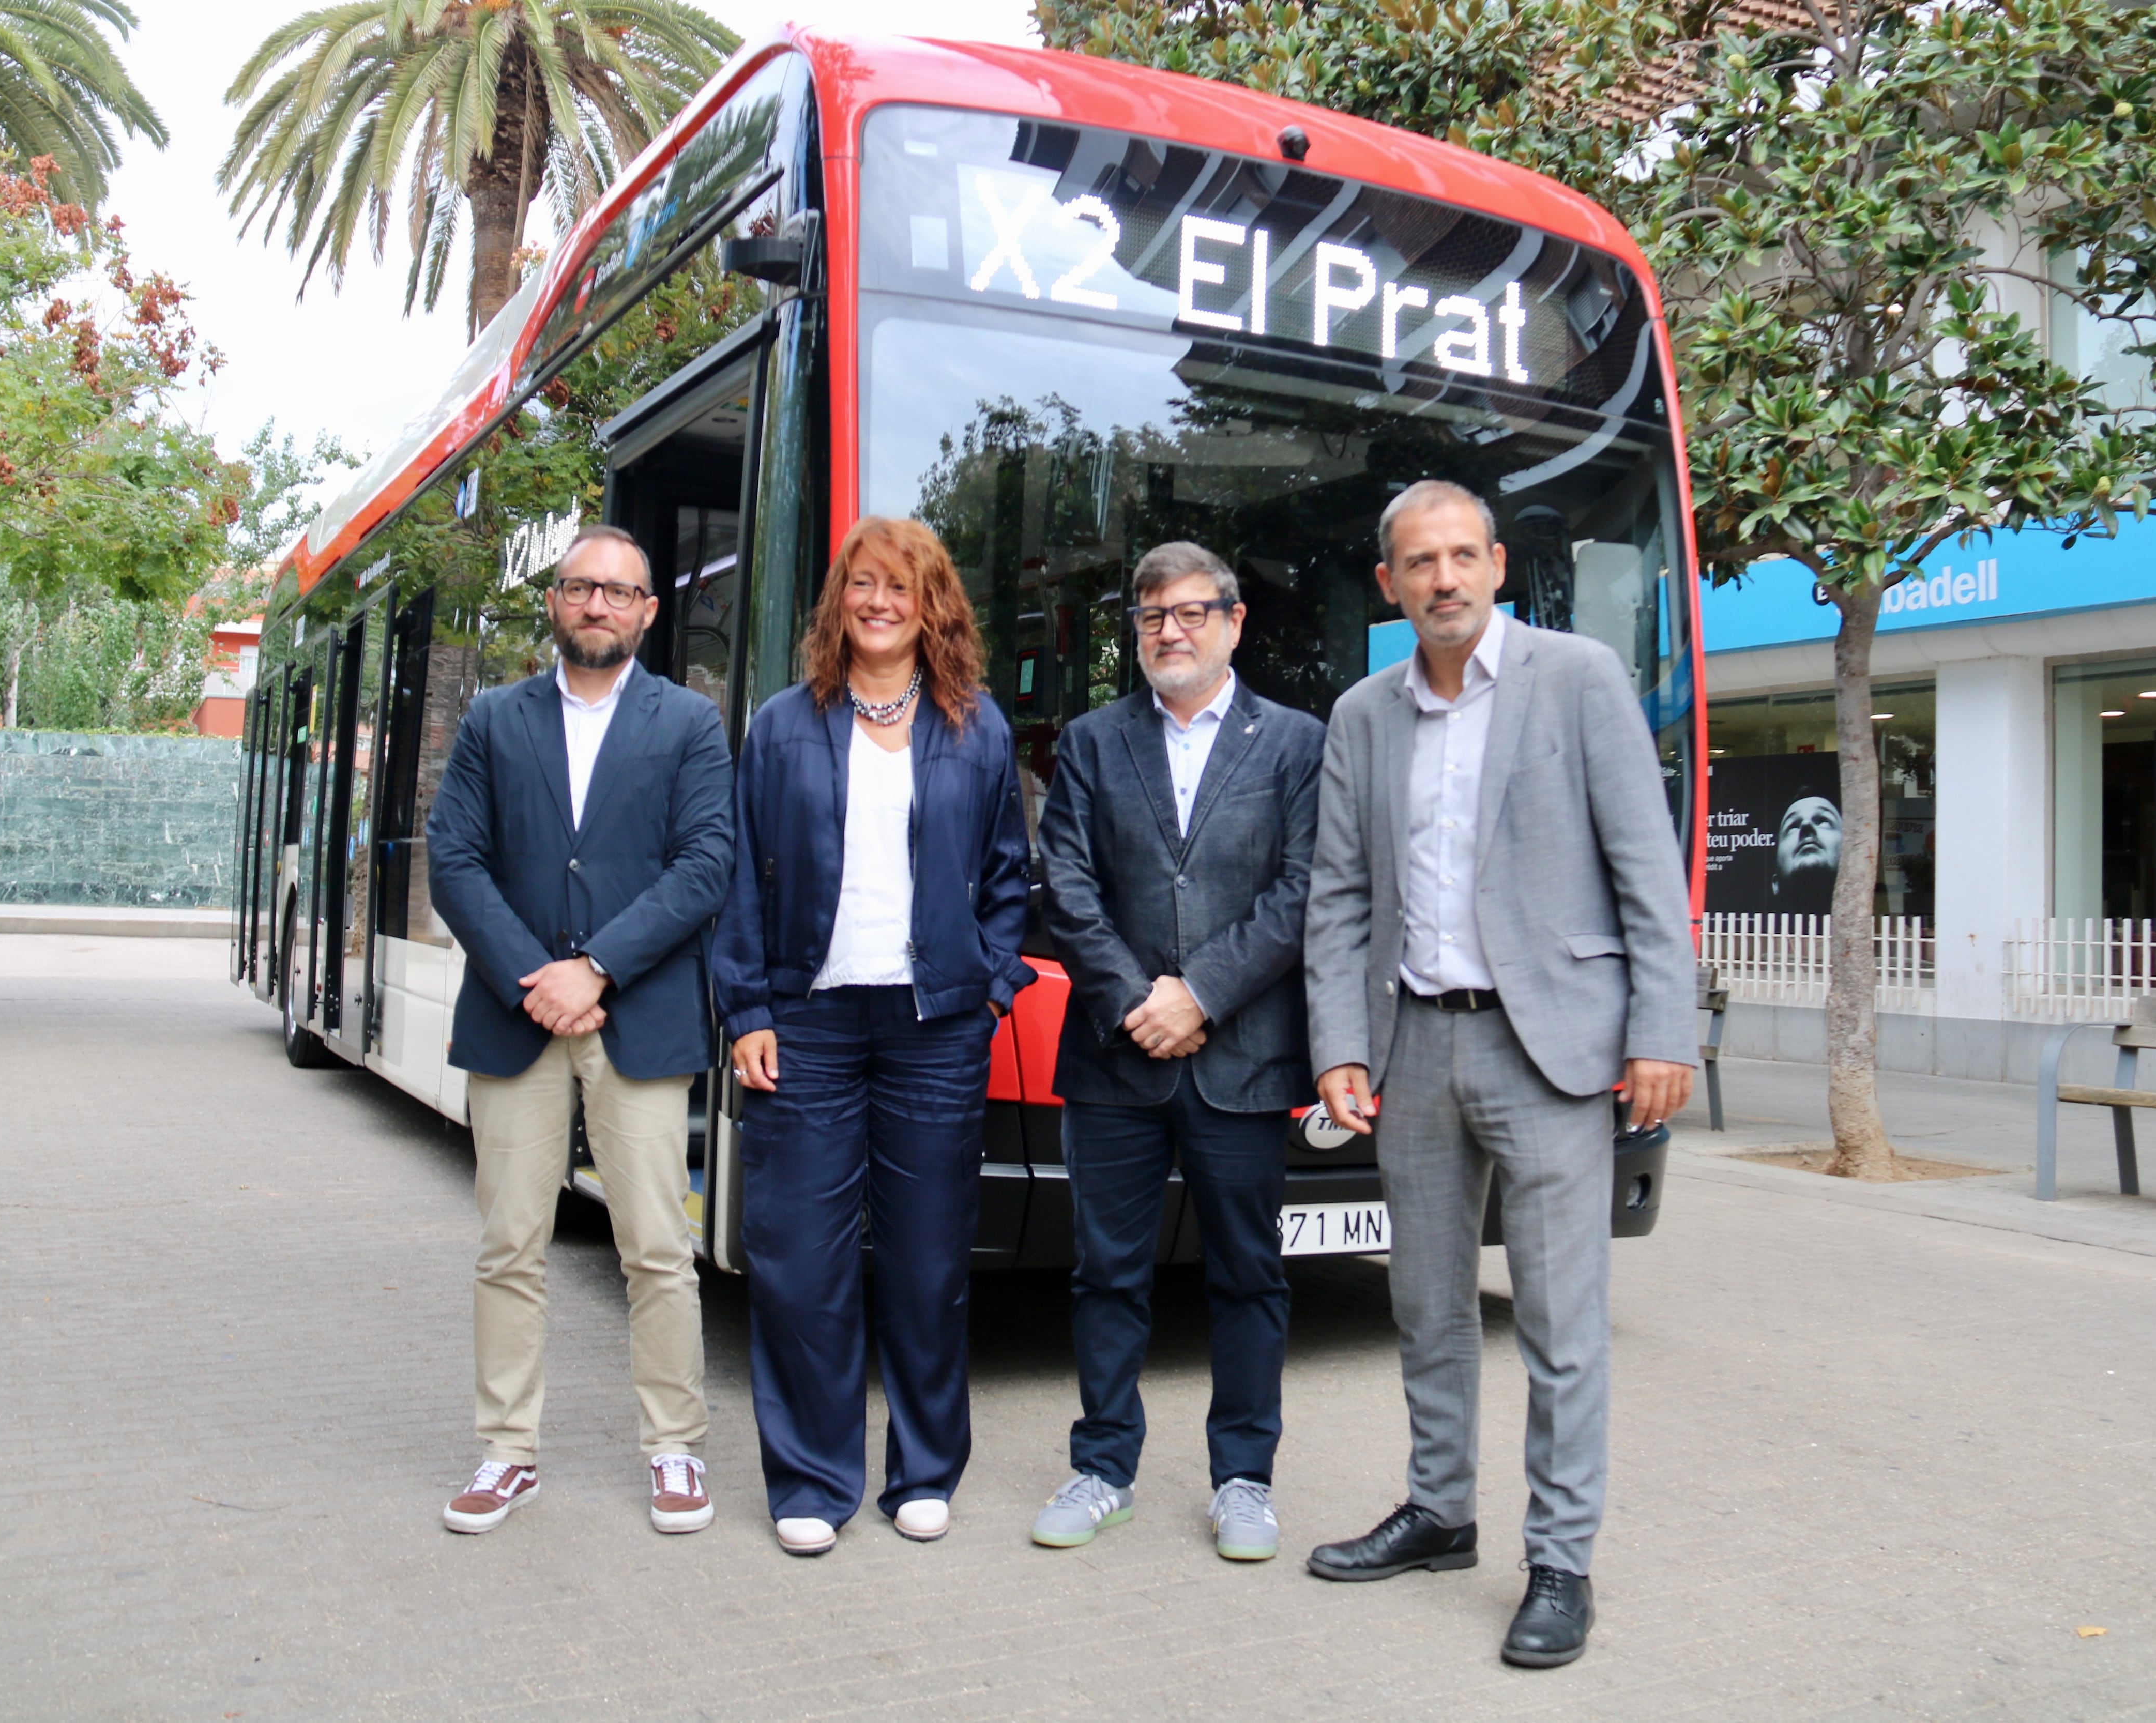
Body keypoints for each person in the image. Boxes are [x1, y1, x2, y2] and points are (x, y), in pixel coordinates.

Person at [1302, 479, 1696, 1669]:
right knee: (1423, 1305)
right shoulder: (1361, 714)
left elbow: (1647, 871)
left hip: (1555, 1052)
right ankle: (1437, 1513)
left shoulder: (1576, 681)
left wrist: (1663, 1031)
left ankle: (1562, 1563)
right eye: (1419, 562)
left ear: (1497, 563)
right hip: (1413, 1047)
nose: (1445, 579)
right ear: (1389, 583)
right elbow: (1336, 899)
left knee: (1561, 1324)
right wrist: (1337, 1044)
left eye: (1463, 556)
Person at [714, 515, 1035, 1557]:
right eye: (863, 583)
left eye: (902, 585)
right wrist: (749, 1009)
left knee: (926, 1258)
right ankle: (812, 1475)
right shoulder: (781, 725)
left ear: (931, 600)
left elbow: (1003, 872)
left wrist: (988, 984)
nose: (880, 601)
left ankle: (924, 1469)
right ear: (838, 600)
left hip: (933, 1025)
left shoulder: (975, 725)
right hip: (805, 1019)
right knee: (799, 1258)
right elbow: (742, 877)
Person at [423, 524, 735, 1538]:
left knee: (655, 1246)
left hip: (637, 1016)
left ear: (648, 610)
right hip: (517, 1019)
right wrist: (536, 978)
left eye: (620, 591)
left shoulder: (690, 722)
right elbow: (456, 860)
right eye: (581, 587)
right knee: (510, 1244)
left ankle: (675, 1447)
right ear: (553, 602)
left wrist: (594, 967)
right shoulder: (492, 721)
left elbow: (705, 865)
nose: (598, 604)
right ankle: (506, 1451)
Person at [1028, 542, 1324, 1563]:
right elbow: (1063, 877)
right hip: (1115, 1058)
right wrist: (1132, 999)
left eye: (1192, 611)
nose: (1170, 630)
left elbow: (1303, 888)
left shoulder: (1293, 743)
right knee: (1107, 1274)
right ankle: (1103, 1466)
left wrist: (1200, 993)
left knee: (1248, 1275)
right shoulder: (1094, 740)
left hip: (1241, 1059)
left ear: (1234, 623)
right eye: (1152, 614)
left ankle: (1244, 1478)